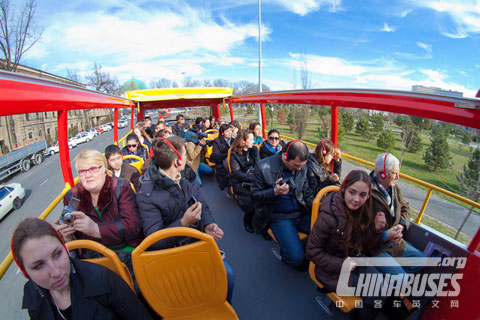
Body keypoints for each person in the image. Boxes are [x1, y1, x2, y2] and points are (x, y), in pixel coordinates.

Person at [136, 136, 235, 303]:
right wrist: (183, 223)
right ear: (177, 161)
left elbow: (201, 204)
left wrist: (207, 223)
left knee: (228, 276)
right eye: (184, 154)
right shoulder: (147, 193)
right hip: (169, 253)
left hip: (195, 241)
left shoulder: (187, 175)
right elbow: (155, 240)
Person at [11, 218, 152, 320]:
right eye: (38, 266)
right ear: (25, 272)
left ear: (65, 250)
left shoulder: (104, 281)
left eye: (57, 254)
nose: (55, 272)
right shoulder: (32, 295)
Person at [306, 170, 386, 320]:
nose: (356, 199)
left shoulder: (364, 210)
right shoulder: (329, 216)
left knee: (382, 285)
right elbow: (311, 251)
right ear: (343, 189)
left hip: (354, 261)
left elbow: (365, 245)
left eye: (362, 195)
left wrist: (376, 231)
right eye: (352, 192)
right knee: (378, 290)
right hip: (332, 269)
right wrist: (342, 264)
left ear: (368, 195)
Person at [56, 149, 143, 256]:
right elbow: (74, 240)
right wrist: (68, 237)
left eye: (93, 169)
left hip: (126, 250)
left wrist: (96, 229)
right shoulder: (71, 196)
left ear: (105, 170)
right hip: (92, 255)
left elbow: (133, 226)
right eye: (82, 171)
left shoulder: (120, 187)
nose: (88, 175)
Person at [251, 140, 314, 269]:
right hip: (279, 216)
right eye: (296, 165)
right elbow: (254, 196)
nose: (299, 169)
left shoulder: (302, 167)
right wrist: (274, 192)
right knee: (297, 259)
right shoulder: (263, 167)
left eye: (302, 165)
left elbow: (307, 193)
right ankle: (287, 254)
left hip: (302, 212)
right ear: (285, 156)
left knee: (329, 236)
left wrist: (319, 213)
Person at [370, 153, 425, 275]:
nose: (398, 177)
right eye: (394, 173)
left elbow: (405, 208)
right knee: (401, 277)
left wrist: (402, 225)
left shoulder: (394, 188)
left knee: (422, 260)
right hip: (374, 247)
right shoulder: (366, 192)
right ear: (382, 174)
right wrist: (385, 235)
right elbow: (361, 229)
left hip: (393, 243)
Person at [228, 129, 260, 233]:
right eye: (251, 139)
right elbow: (236, 173)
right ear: (244, 141)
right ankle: (247, 220)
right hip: (239, 182)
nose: (253, 142)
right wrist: (252, 177)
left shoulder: (254, 150)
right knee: (250, 201)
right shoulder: (234, 154)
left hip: (253, 178)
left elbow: (258, 165)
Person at [210, 124, 233, 191]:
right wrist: (227, 155)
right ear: (222, 133)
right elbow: (215, 155)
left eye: (230, 131)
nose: (230, 133)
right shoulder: (217, 141)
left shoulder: (234, 140)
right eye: (227, 131)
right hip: (222, 162)